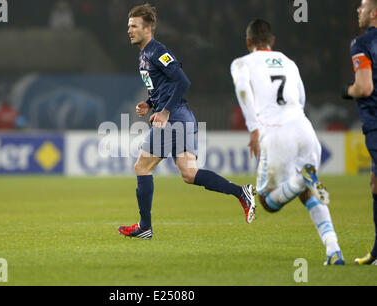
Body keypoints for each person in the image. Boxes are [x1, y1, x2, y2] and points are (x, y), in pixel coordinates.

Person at [117, 3, 256, 240]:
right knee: (189, 173)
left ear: (148, 29)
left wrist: (165, 112)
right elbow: (163, 87)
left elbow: (182, 81)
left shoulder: (157, 51)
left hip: (173, 118)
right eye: (128, 26)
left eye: (134, 26)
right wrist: (150, 104)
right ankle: (241, 192)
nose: (129, 30)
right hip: (179, 117)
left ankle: (145, 227)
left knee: (142, 167)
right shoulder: (143, 54)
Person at [230, 19, 344, 265]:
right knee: (306, 193)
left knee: (266, 201)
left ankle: (302, 177)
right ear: (272, 41)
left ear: (248, 42)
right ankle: (333, 249)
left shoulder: (242, 63)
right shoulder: (289, 62)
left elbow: (242, 91)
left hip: (276, 133)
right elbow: (301, 97)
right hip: (304, 128)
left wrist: (253, 129)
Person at [342, 0, 377, 265]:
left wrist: (348, 90)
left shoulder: (362, 44)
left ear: (374, 13)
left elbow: (364, 88)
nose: (358, 10)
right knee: (375, 183)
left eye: (363, 6)